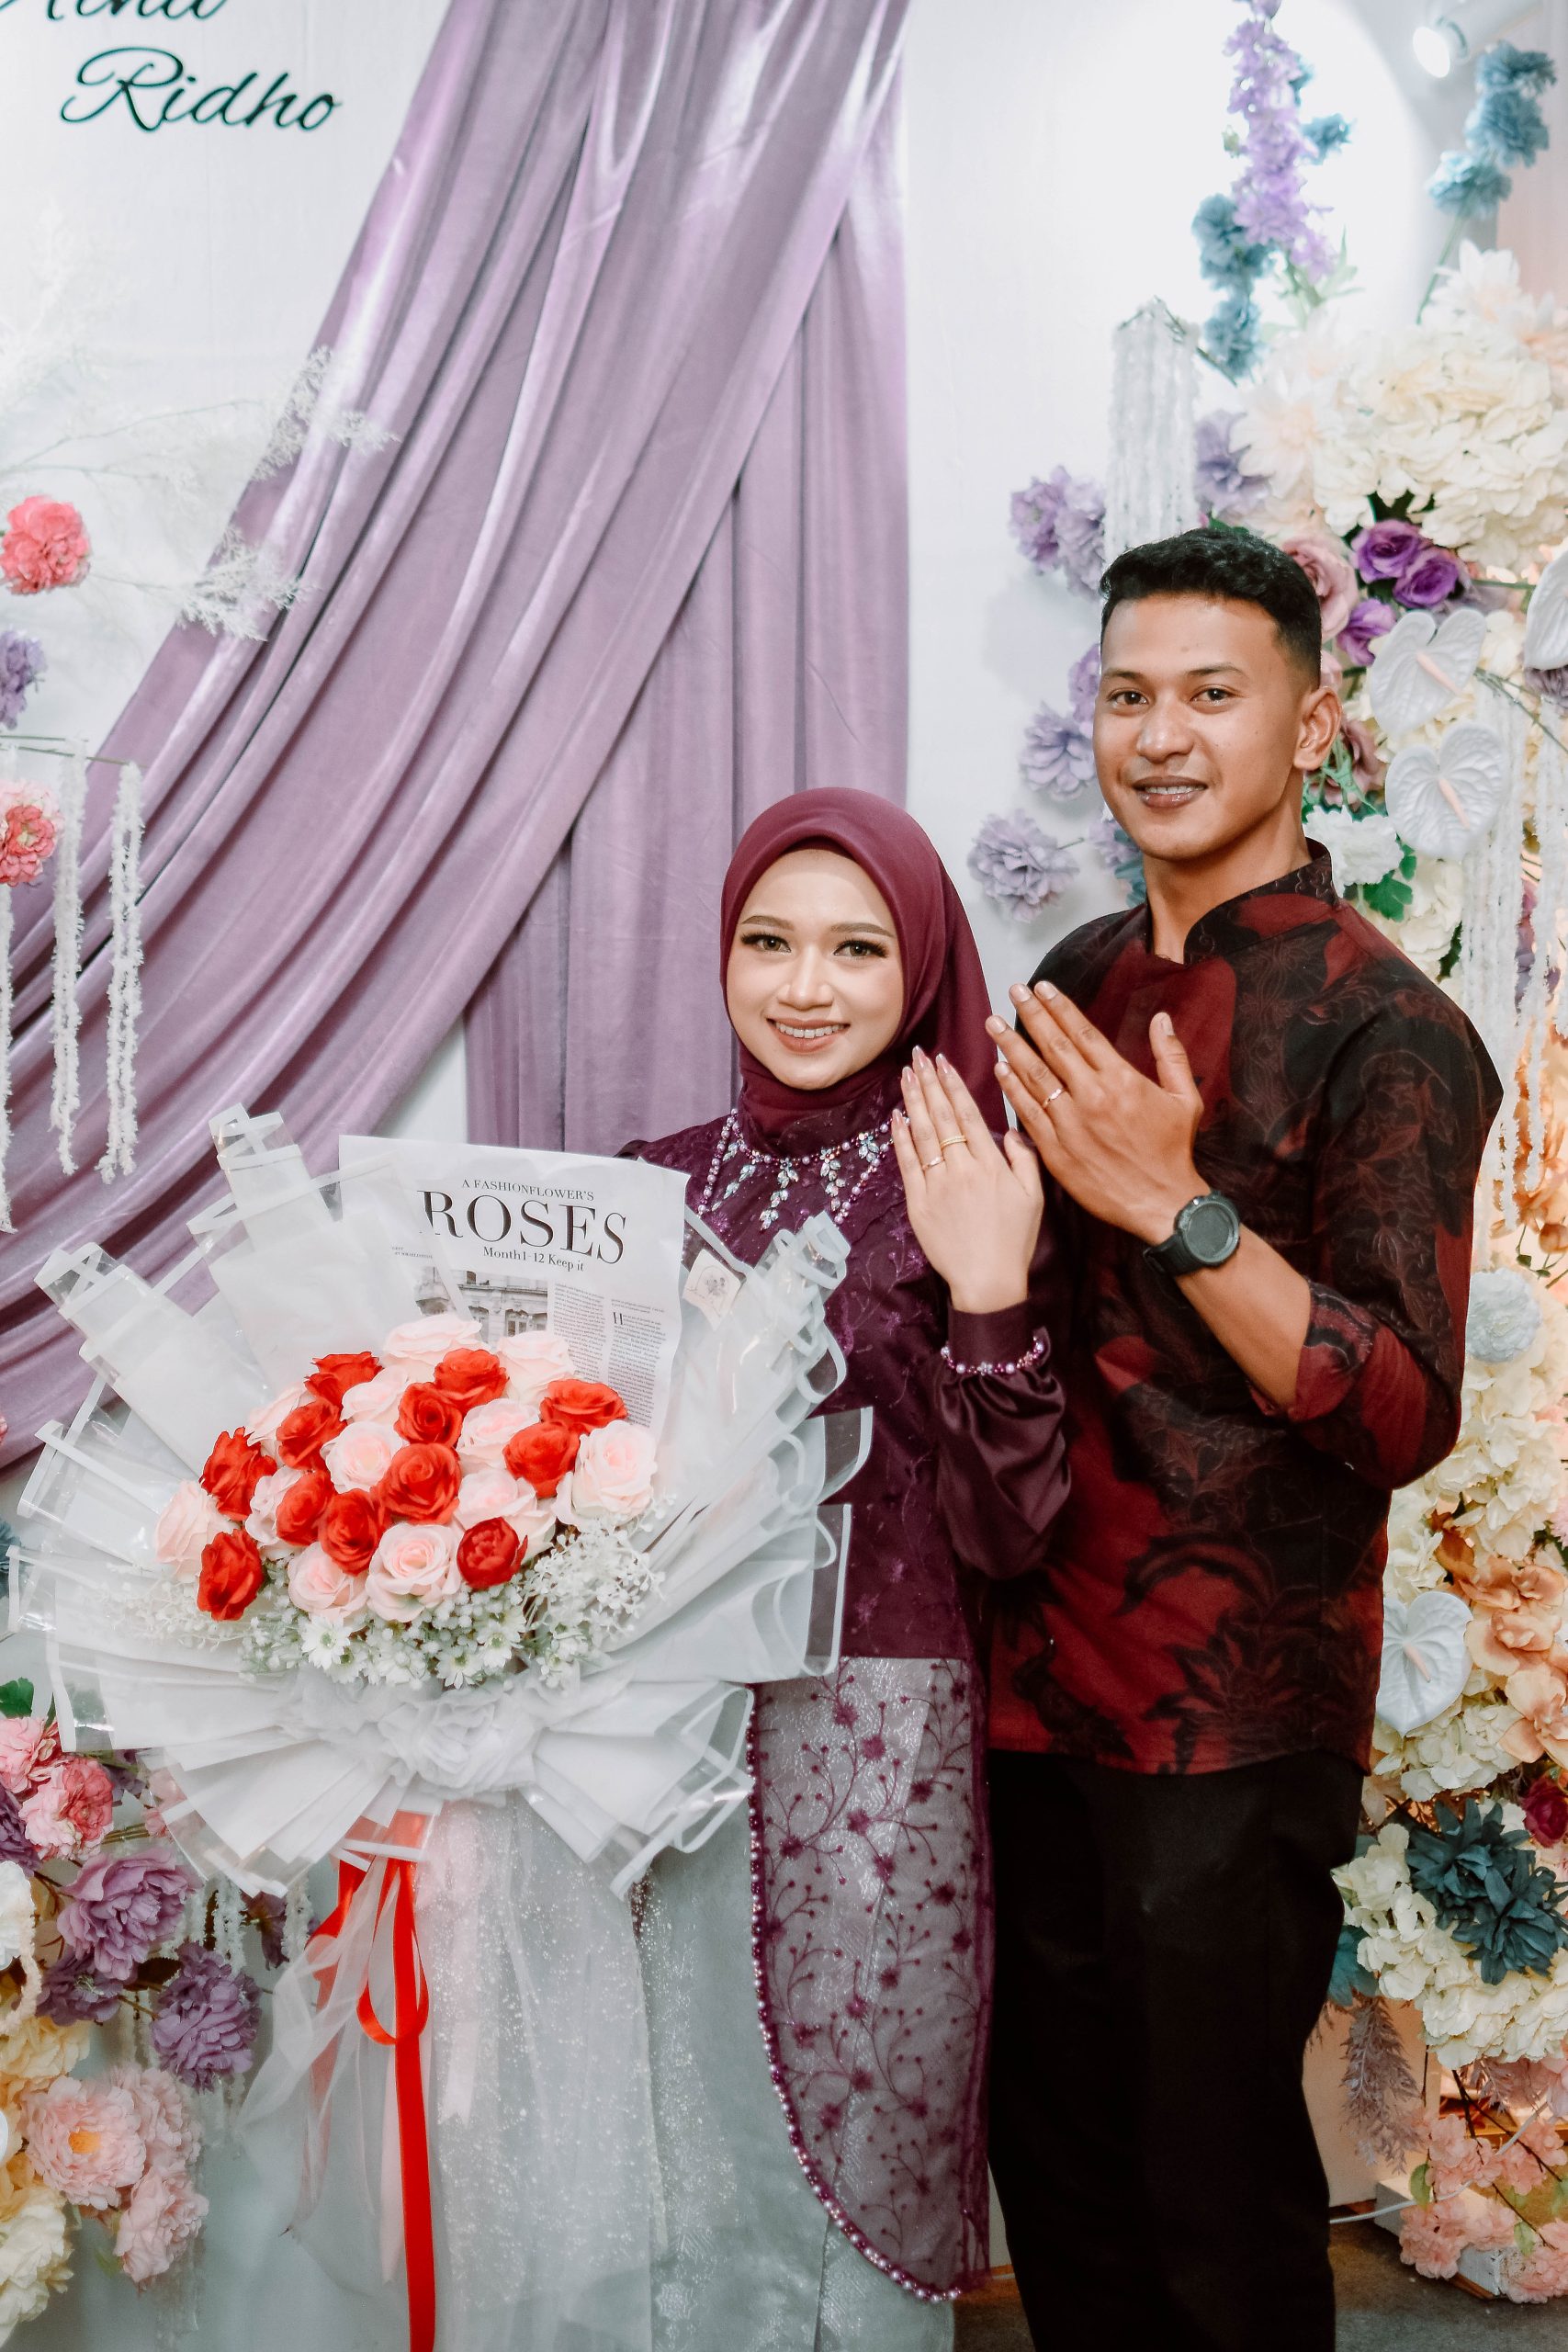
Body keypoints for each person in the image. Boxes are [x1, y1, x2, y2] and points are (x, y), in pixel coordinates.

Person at [902, 527, 1502, 2351]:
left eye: (1210, 694)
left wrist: (1180, 1208)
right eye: (1126, 694)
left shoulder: (1392, 1027)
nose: (1158, 735)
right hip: (1025, 1681)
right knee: (1059, 2179)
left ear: (1308, 725)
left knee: (1212, 2207)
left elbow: (1399, 1409)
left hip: (1223, 1725)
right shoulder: (1073, 973)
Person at [628, 789, 1068, 2352]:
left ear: (924, 963)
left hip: (878, 1731)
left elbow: (1014, 1533)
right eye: (769, 942)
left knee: (858, 2100)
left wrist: (991, 1284)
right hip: (661, 1726)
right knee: (681, 2110)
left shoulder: (972, 1175)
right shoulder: (651, 1181)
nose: (805, 986)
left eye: (858, 948)